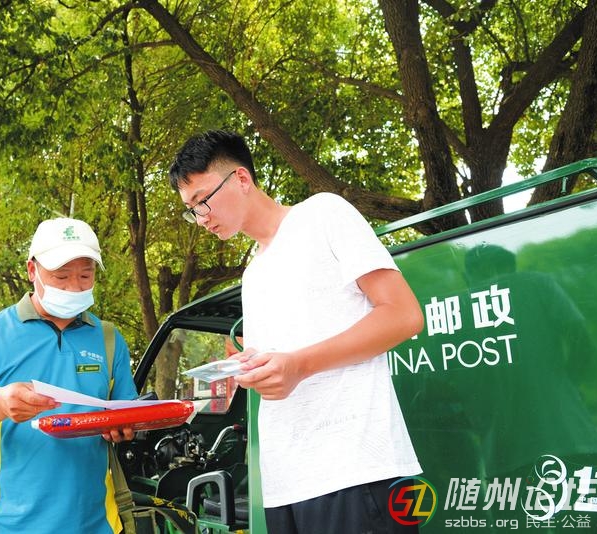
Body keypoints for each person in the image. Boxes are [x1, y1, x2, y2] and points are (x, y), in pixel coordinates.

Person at [168, 130, 424, 533]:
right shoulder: (253, 275)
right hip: (285, 482)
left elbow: (403, 315)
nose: (202, 218)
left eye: (203, 201)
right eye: (192, 210)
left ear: (241, 178)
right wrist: (251, 368)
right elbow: (282, 366)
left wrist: (298, 365)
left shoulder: (323, 214)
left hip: (355, 469)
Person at [0, 217, 138, 534]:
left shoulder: (110, 339)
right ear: (32, 270)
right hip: (3, 524)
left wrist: (124, 427)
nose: (74, 287)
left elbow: (128, 414)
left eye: (86, 275)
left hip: (96, 523)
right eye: (61, 276)